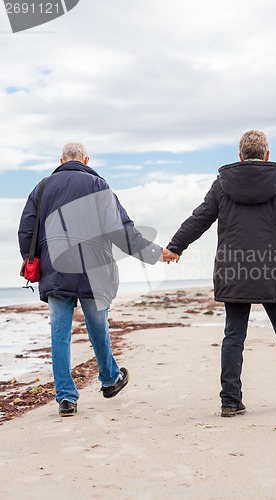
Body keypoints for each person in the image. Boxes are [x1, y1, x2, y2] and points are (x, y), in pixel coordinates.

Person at [167, 130, 276, 417]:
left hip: (234, 268)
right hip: (272, 270)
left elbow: (199, 218)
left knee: (233, 334)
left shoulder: (222, 185)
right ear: (266, 155)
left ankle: (230, 400)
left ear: (240, 156)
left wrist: (175, 246)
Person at [18, 143, 178, 417]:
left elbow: (26, 230)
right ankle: (109, 380)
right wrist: (155, 253)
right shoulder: (97, 185)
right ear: (86, 159)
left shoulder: (42, 188)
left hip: (56, 269)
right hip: (94, 270)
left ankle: (66, 399)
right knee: (97, 327)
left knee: (59, 335)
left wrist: (36, 261)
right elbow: (121, 231)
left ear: (61, 161)